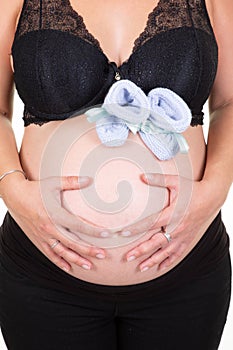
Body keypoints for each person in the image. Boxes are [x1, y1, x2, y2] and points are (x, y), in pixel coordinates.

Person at [0, 0, 232, 349]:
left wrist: (215, 190)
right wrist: (12, 189)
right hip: (41, 275)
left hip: (187, 273)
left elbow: (229, 103)